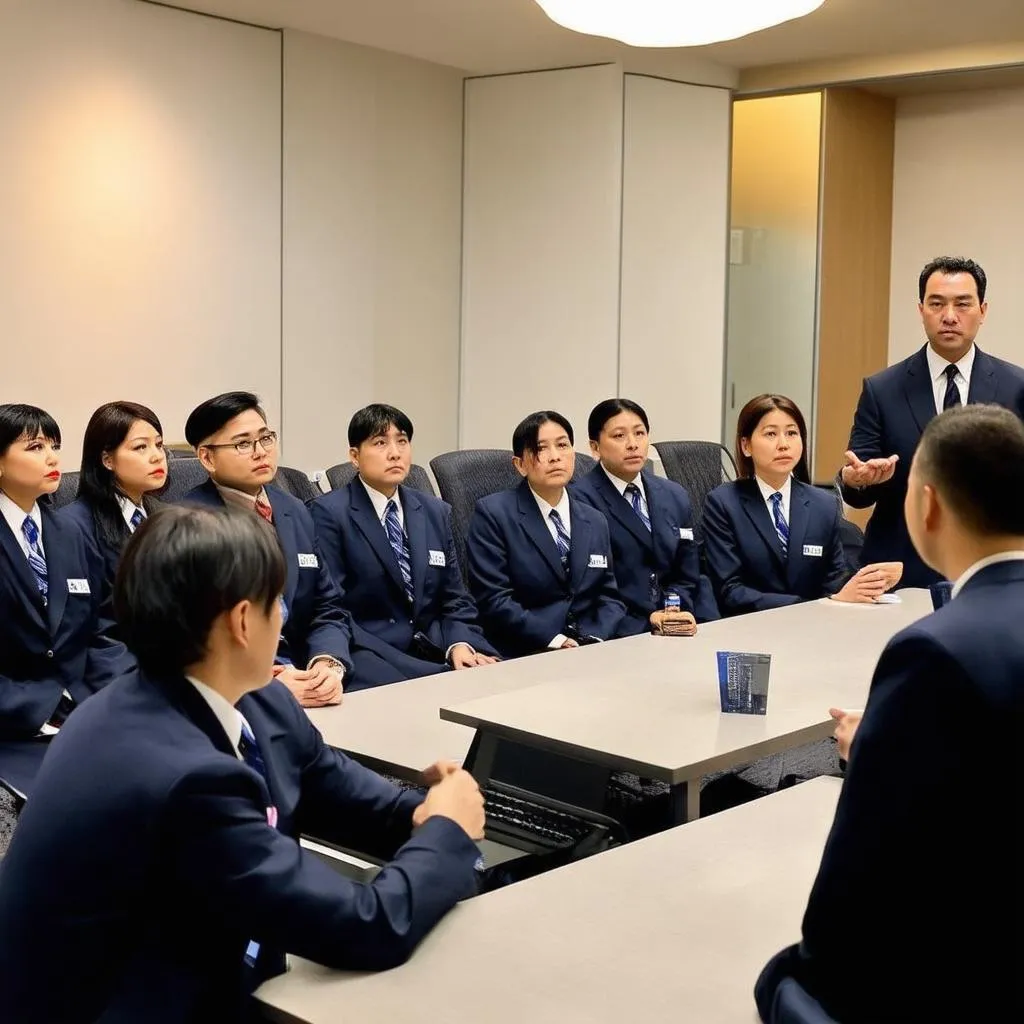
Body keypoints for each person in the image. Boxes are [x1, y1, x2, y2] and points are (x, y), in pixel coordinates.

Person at [0, 505, 485, 1022]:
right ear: (241, 622)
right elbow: (365, 928)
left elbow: (343, 794)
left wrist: (424, 813)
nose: (285, 618)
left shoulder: (254, 699)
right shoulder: (177, 773)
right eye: (276, 602)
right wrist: (449, 831)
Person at [756, 404, 1024, 1022]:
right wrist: (886, 741)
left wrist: (880, 751)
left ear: (926, 505)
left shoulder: (933, 648)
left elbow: (857, 888)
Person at [840, 256, 1024, 588]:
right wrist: (858, 480)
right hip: (897, 571)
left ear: (983, 311)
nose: (949, 316)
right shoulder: (882, 389)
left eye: (962, 304)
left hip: (990, 571)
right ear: (921, 310)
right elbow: (858, 490)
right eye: (936, 304)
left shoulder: (1017, 387)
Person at [310, 404, 499, 690]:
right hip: (371, 649)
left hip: (436, 644)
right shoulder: (328, 513)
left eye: (402, 441)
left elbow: (455, 598)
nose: (395, 452)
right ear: (354, 456)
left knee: (497, 683)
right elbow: (330, 604)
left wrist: (460, 643)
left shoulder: (435, 512)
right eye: (380, 442)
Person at [0, 404, 134, 803]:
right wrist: (43, 708)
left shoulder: (69, 532)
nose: (53, 458)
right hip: (17, 723)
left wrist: (127, 691)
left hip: (84, 710)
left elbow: (99, 629)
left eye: (54, 446)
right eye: (35, 447)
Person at [183, 392, 348, 708]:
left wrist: (327, 664)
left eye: (266, 439)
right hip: (237, 695)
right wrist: (266, 683)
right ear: (207, 458)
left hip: (308, 677)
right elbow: (192, 635)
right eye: (243, 444)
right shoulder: (187, 523)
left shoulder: (294, 510)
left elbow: (328, 606)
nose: (261, 452)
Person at [704, 394, 891, 616]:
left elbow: (834, 580)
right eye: (771, 434)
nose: (783, 445)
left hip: (814, 629)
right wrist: (813, 604)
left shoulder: (824, 504)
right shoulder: (724, 503)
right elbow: (729, 590)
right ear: (746, 446)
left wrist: (869, 583)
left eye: (792, 433)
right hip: (749, 629)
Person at [466, 411, 626, 657]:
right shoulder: (494, 514)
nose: (555, 457)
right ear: (519, 464)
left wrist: (595, 637)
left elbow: (609, 597)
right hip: (526, 650)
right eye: (541, 449)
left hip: (590, 649)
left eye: (563, 445)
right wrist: (555, 639)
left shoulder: (594, 519)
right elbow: (493, 599)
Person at [572, 398, 719, 636]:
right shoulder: (579, 501)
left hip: (681, 617)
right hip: (623, 627)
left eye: (640, 433)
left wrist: (674, 611)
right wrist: (650, 619)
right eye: (619, 436)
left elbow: (689, 568)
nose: (633, 444)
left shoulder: (674, 493)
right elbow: (594, 586)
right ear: (595, 447)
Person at [60, 400, 168, 593]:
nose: (157, 456)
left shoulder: (167, 513)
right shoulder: (72, 525)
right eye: (141, 447)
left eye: (159, 445)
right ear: (107, 460)